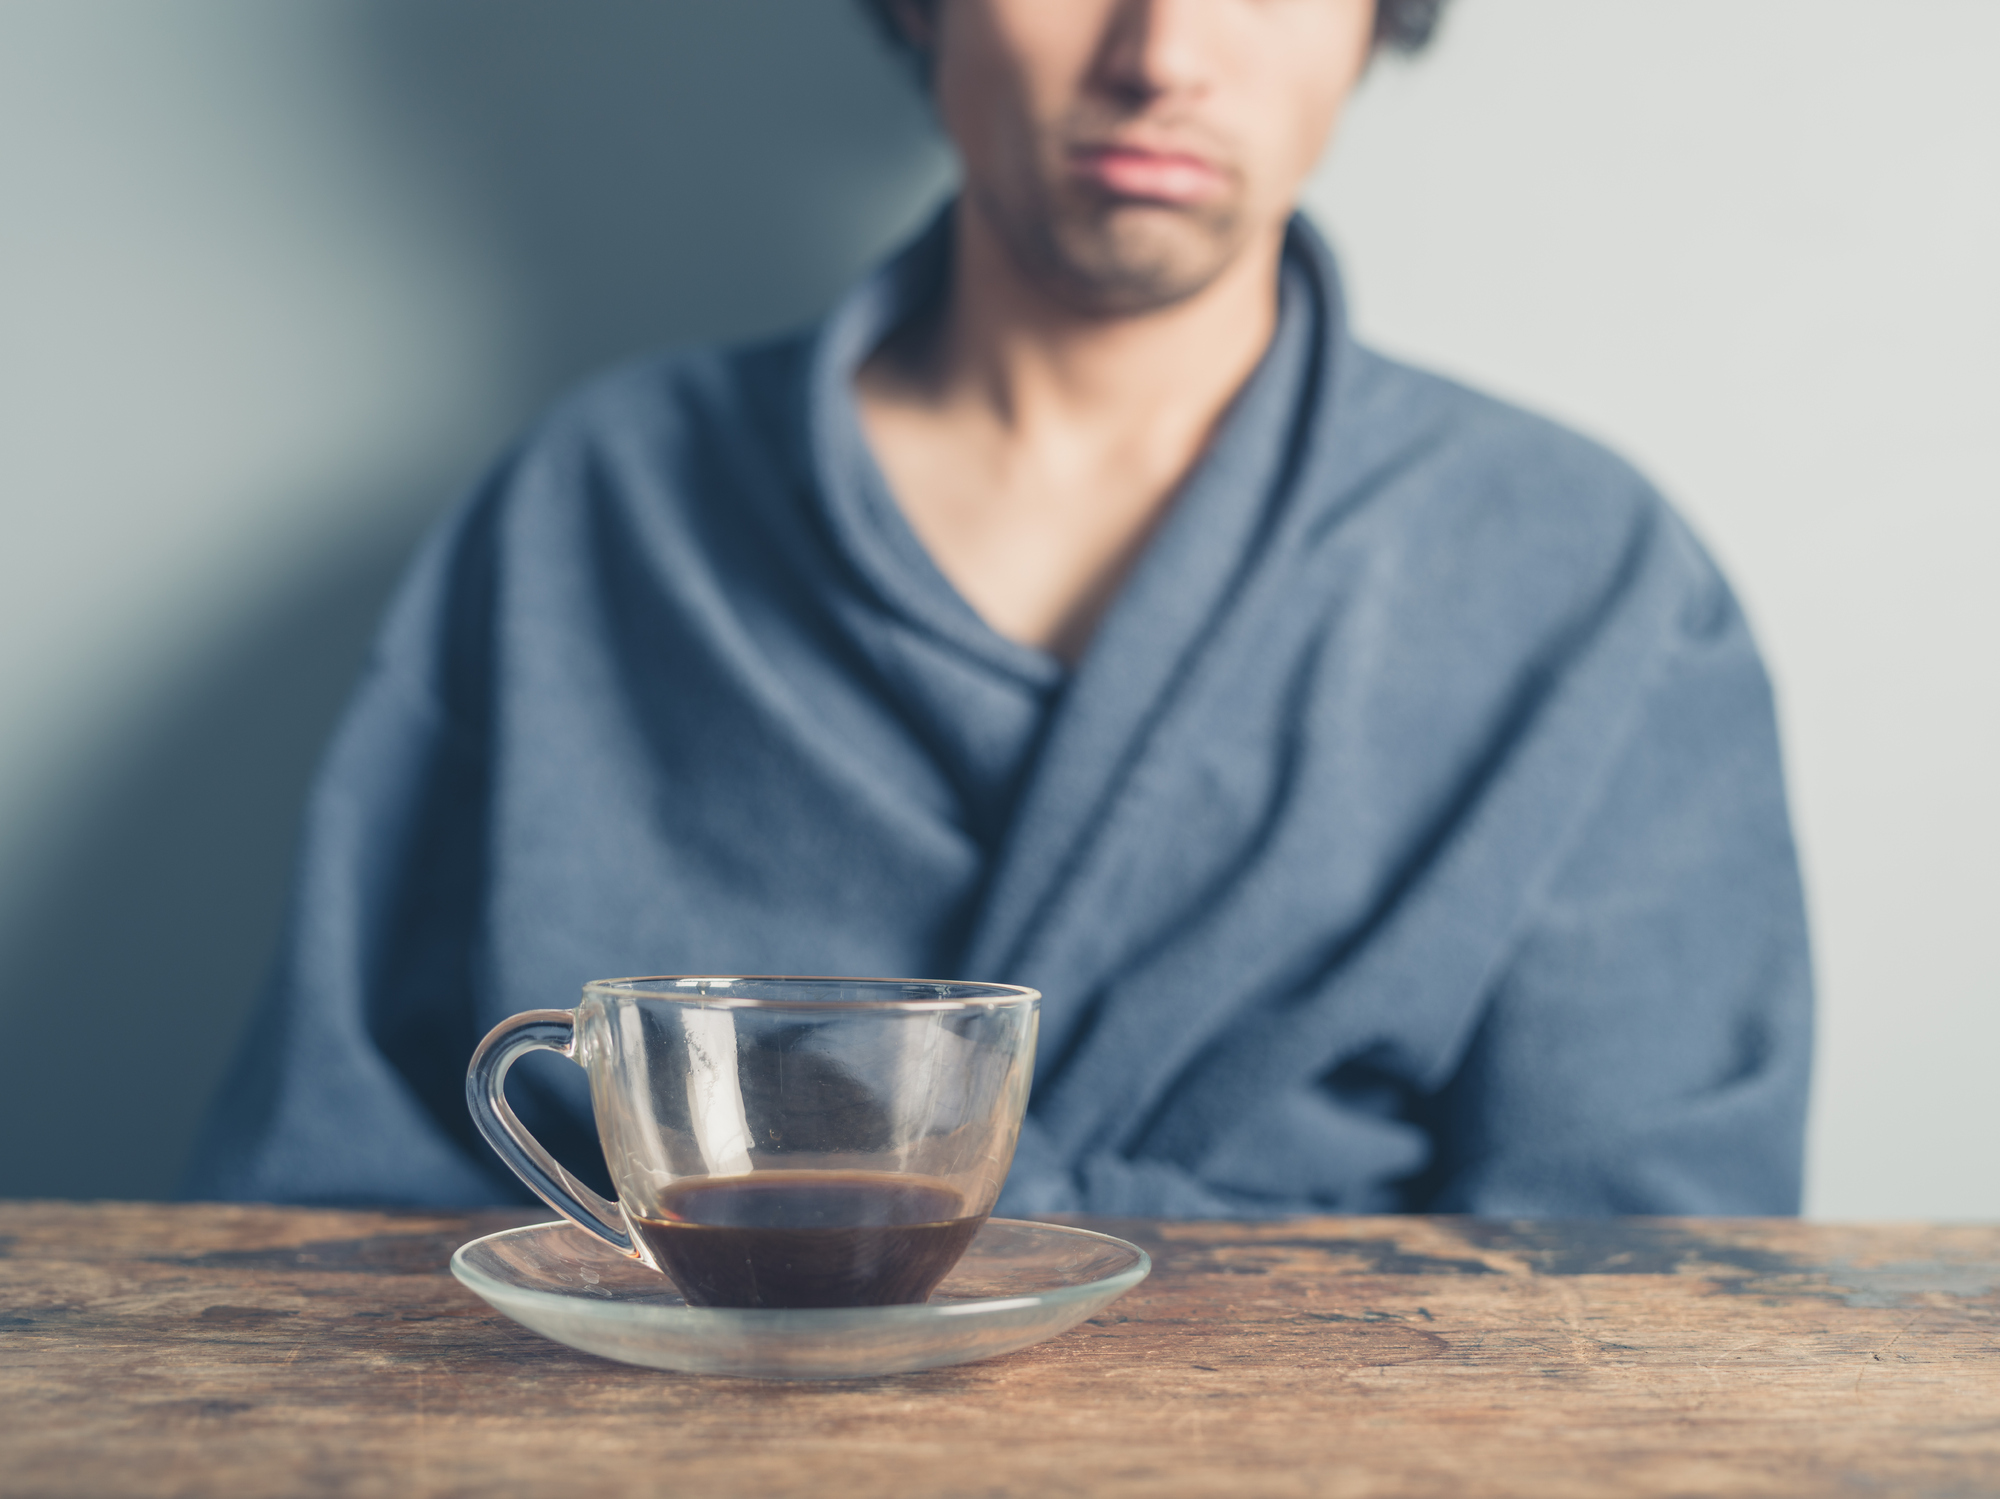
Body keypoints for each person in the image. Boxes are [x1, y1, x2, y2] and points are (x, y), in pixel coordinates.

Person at [186, 0, 1812, 1217]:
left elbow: (1645, 1285)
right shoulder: (594, 511)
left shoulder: (1585, 577)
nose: (1163, 51)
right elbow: (320, 1200)